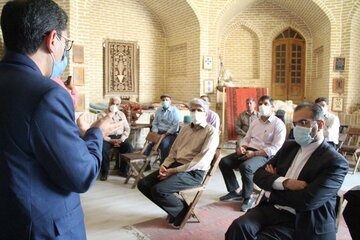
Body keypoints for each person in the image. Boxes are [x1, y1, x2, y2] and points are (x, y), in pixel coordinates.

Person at [0, 1, 120, 239]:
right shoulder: (47, 94)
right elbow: (81, 174)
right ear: (52, 39)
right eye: (66, 42)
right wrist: (96, 132)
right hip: (42, 227)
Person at [225, 103, 348, 240]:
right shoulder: (289, 147)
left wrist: (271, 189)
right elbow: (259, 175)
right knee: (238, 227)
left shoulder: (335, 162)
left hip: (304, 220)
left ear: (319, 124)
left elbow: (308, 201)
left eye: (303, 122)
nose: (297, 128)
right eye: (295, 124)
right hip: (273, 209)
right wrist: (286, 183)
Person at [138, 98, 219, 228]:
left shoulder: (211, 132)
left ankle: (182, 211)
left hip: (194, 172)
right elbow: (173, 151)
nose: (195, 113)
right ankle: (179, 210)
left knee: (159, 190)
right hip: (176, 166)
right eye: (193, 110)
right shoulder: (185, 129)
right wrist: (165, 165)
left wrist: (173, 171)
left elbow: (201, 161)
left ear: (206, 114)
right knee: (144, 184)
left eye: (199, 110)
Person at [219, 95, 286, 212]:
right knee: (224, 162)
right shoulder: (255, 122)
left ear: (272, 107)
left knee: (246, 167)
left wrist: (254, 154)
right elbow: (247, 138)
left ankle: (248, 197)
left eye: (265, 104)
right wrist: (242, 147)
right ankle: (234, 191)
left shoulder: (278, 124)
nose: (262, 106)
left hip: (265, 155)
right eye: (260, 104)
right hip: (249, 150)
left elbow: (275, 148)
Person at [99, 96, 133, 180]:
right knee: (103, 149)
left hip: (120, 137)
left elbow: (127, 128)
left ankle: (123, 170)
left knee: (129, 147)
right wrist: (110, 140)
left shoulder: (121, 114)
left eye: (116, 104)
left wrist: (122, 138)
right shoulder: (102, 114)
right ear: (109, 104)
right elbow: (99, 131)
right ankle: (105, 172)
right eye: (112, 104)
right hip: (107, 137)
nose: (114, 106)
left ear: (119, 105)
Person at [146, 94, 180, 164]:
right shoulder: (158, 110)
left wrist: (167, 133)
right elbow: (155, 122)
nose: (165, 101)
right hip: (158, 132)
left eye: (167, 100)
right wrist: (155, 132)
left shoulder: (174, 111)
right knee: (149, 143)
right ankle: (146, 164)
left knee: (164, 144)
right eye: (163, 100)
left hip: (170, 134)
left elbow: (175, 125)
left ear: (170, 101)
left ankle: (163, 164)